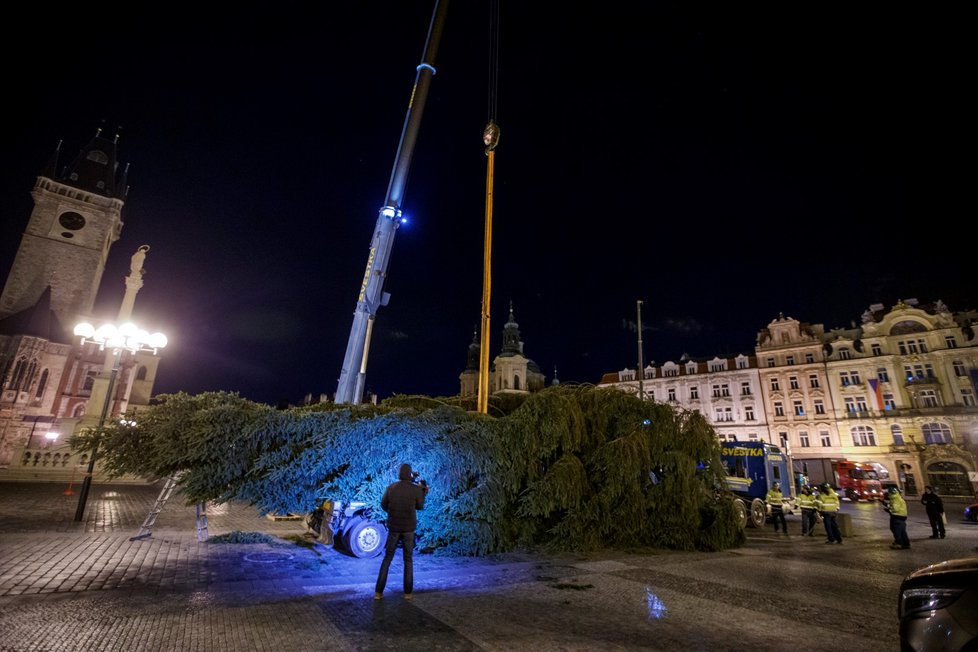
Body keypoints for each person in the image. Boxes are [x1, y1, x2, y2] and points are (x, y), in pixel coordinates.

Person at [374, 463, 428, 600]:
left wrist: (392, 513)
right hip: (409, 528)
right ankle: (408, 593)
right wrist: (423, 492)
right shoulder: (415, 489)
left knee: (387, 559)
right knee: (408, 560)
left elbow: (383, 504)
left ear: (400, 473)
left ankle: (378, 592)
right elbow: (420, 506)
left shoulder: (392, 488)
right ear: (410, 474)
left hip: (394, 527)